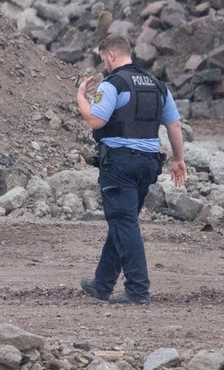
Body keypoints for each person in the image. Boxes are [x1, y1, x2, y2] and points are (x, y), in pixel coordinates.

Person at [75, 32, 187, 305]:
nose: (104, 65)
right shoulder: (158, 85)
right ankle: (102, 284)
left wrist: (80, 96)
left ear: (111, 55)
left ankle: (137, 290)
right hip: (148, 165)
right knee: (123, 221)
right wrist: (178, 160)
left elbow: (95, 120)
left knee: (124, 223)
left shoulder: (113, 84)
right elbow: (173, 125)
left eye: (103, 59)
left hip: (120, 163)